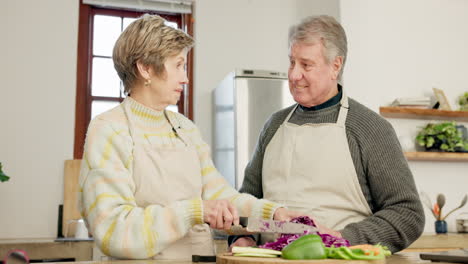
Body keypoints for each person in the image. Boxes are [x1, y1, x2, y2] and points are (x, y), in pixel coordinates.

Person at [78, 14, 299, 260]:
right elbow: (114, 231)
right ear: (145, 68)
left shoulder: (185, 129)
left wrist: (272, 213)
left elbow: (220, 197)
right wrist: (194, 211)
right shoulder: (109, 129)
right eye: (178, 65)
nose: (185, 77)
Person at [230, 15, 425, 253]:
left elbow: (407, 213)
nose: (293, 75)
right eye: (292, 62)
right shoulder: (274, 125)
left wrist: (342, 237)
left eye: (306, 65)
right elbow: (246, 200)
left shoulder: (369, 128)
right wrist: (241, 239)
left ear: (335, 66)